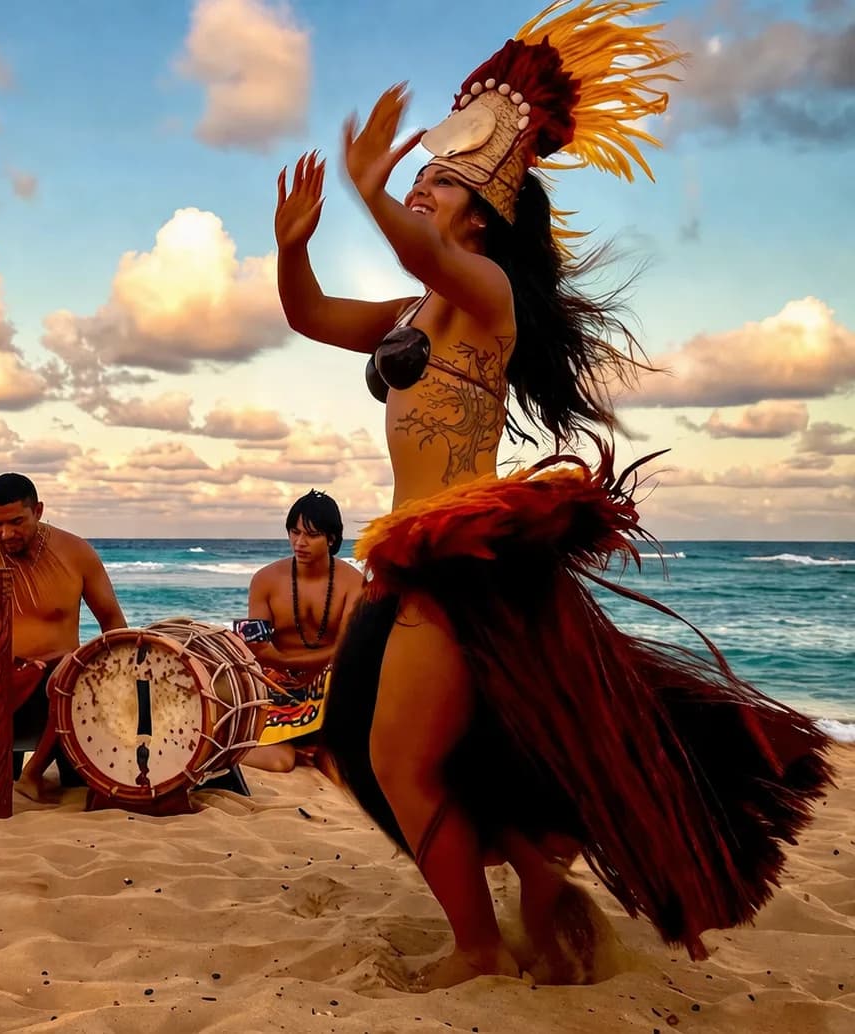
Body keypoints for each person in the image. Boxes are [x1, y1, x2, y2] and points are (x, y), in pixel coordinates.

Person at [274, 0, 831, 989]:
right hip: (410, 558)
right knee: (371, 746)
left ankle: (479, 944)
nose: (415, 189)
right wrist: (291, 245)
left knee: (401, 762)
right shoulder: (413, 310)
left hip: (459, 564)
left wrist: (371, 197)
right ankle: (534, 863)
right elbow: (309, 313)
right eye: (415, 177)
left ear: (478, 215)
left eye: (434, 180)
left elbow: (421, 251)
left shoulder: (482, 293)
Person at [0, 473, 127, 800]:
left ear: (38, 510)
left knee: (78, 781)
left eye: (16, 522)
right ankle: (22, 772)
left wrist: (121, 679)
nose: (5, 533)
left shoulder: (75, 553)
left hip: (68, 690)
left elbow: (112, 621)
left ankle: (34, 773)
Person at [239, 490, 363, 773]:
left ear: (331, 539)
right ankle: (222, 751)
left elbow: (347, 648)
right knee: (280, 762)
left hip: (328, 682)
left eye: (311, 534)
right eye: (294, 532)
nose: (299, 542)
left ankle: (318, 743)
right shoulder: (264, 579)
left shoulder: (353, 583)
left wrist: (295, 665)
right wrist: (282, 667)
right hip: (275, 684)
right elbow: (256, 646)